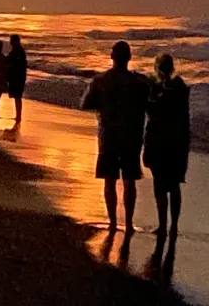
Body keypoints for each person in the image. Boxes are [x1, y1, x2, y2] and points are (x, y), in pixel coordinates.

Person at [81, 41, 150, 233]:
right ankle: (128, 224)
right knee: (130, 181)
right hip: (131, 137)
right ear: (129, 58)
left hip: (108, 136)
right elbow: (151, 104)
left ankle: (112, 222)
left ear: (112, 57)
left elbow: (84, 104)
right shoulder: (140, 83)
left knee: (109, 181)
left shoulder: (100, 80)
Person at [143, 53, 191, 238]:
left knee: (160, 185)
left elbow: (154, 112)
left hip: (160, 141)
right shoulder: (180, 89)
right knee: (174, 185)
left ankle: (163, 225)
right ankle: (174, 226)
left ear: (158, 69)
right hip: (178, 142)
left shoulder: (161, 92)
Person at [6, 33, 28, 123]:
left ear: (16, 41)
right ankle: (18, 115)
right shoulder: (17, 50)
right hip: (17, 76)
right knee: (16, 96)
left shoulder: (19, 51)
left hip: (18, 77)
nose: (10, 42)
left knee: (17, 96)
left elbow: (17, 64)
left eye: (11, 40)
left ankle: (18, 116)